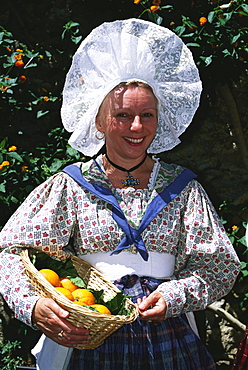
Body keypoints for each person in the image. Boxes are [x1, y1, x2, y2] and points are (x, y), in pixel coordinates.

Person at [0, 18, 241, 370]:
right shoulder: (69, 186)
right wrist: (34, 307)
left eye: (147, 114)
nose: (137, 127)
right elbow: (10, 253)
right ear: (98, 120)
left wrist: (174, 295)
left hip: (169, 342)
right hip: (86, 338)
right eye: (123, 115)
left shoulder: (183, 189)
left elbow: (218, 266)